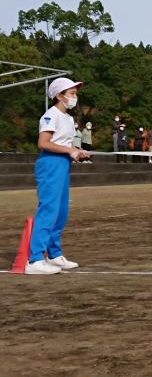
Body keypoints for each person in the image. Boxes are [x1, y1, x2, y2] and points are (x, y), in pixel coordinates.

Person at [26, 77, 90, 274]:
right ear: (59, 96)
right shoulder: (50, 115)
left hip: (63, 163)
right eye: (71, 93)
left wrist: (77, 152)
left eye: (75, 93)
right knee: (49, 209)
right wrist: (70, 150)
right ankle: (35, 259)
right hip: (50, 163)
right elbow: (43, 143)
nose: (75, 97)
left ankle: (54, 254)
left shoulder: (68, 118)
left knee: (61, 211)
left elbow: (65, 144)